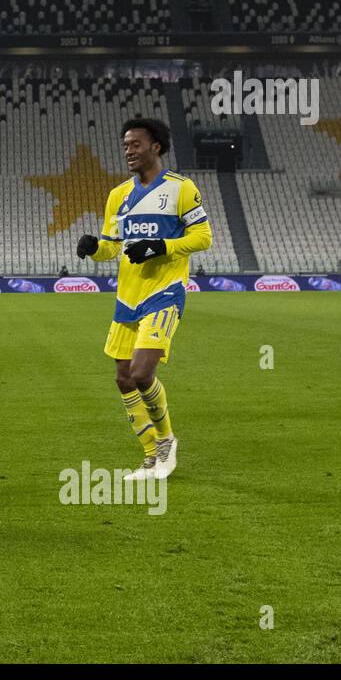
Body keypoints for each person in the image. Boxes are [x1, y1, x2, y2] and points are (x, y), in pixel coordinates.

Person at [75, 118, 212, 481]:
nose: (129, 151)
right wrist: (94, 248)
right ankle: (151, 456)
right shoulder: (118, 195)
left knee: (140, 372)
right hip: (127, 296)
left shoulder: (181, 189)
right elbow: (112, 247)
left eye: (136, 144)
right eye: (125, 145)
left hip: (165, 292)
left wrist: (161, 246)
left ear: (156, 146)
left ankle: (167, 441)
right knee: (123, 378)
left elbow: (203, 237)